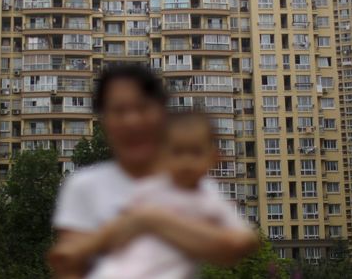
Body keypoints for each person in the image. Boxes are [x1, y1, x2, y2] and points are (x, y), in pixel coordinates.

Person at [49, 64, 258, 278]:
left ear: (161, 113)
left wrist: (150, 220)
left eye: (142, 108)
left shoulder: (193, 184)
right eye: (119, 110)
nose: (131, 120)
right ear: (103, 118)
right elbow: (69, 264)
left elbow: (238, 244)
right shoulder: (84, 185)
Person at [87, 111, 251, 279]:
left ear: (214, 157)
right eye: (177, 152)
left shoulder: (210, 196)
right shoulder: (151, 187)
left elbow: (243, 238)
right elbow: (120, 223)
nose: (186, 161)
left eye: (195, 152)